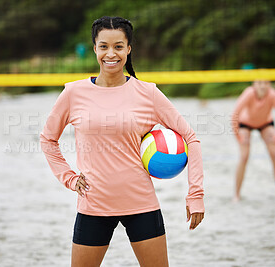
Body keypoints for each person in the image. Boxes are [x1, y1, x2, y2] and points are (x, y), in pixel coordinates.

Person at [40, 16, 204, 267]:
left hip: (141, 203)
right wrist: (70, 178)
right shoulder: (73, 93)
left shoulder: (147, 93)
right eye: (104, 46)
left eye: (118, 46)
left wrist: (195, 195)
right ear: (94, 48)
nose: (111, 53)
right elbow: (48, 139)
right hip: (93, 204)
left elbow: (191, 138)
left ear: (128, 49)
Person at [231, 80, 275, 202]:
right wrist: (238, 137)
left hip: (265, 123)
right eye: (260, 83)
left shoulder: (272, 95)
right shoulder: (249, 93)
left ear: (270, 85)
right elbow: (235, 114)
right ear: (254, 85)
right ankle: (236, 195)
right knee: (244, 156)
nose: (263, 86)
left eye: (266, 83)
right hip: (245, 123)